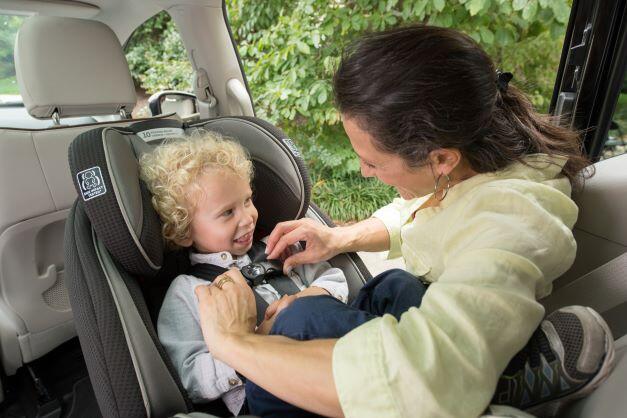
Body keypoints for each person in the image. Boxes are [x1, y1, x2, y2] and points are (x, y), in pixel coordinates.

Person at [192, 24, 615, 418]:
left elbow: (420, 380)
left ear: (440, 159)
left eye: (371, 161)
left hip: (423, 380)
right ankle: (496, 385)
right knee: (393, 286)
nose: (363, 172)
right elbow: (431, 211)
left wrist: (235, 342)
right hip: (424, 346)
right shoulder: (471, 162)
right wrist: (338, 238)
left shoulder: (511, 221)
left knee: (300, 321)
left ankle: (484, 391)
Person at [139, 133, 352, 415]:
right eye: (227, 212)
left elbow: (334, 278)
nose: (248, 217)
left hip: (334, 350)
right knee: (297, 317)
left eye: (247, 201)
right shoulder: (190, 290)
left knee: (393, 285)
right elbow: (190, 376)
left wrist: (317, 294)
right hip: (270, 387)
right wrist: (251, 344)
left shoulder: (276, 247)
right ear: (185, 231)